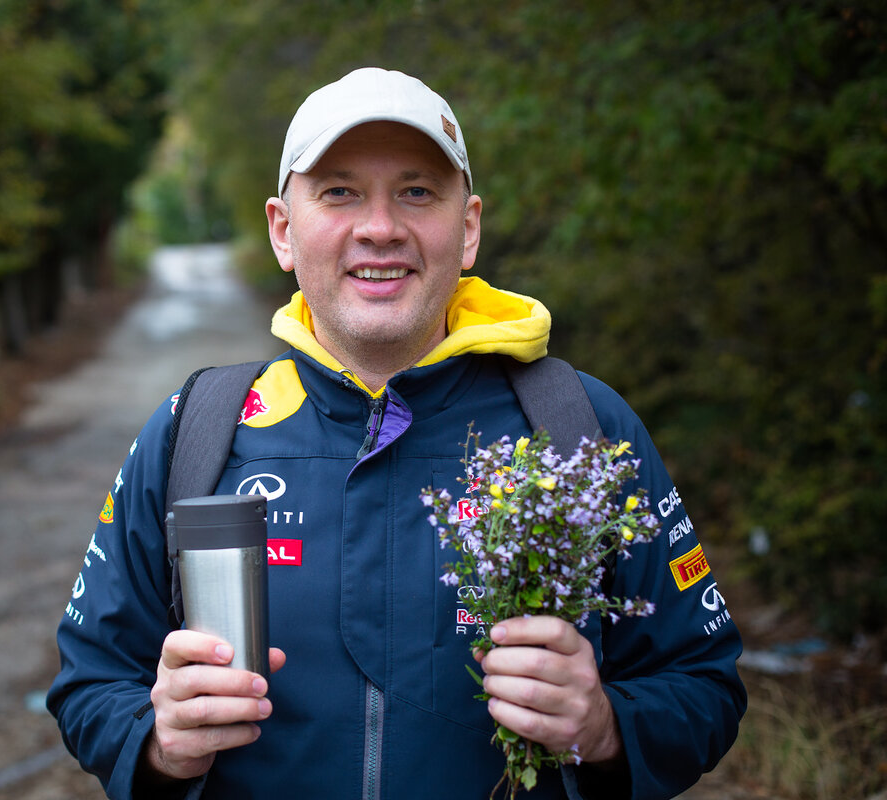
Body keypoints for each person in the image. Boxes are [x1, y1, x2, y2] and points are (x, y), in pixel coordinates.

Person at [47, 67, 746, 799]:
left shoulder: (581, 430)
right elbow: (91, 680)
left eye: (417, 192)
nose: (380, 228)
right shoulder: (197, 429)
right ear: (284, 232)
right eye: (340, 192)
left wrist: (604, 727)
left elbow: (704, 686)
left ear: (467, 227)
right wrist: (157, 742)